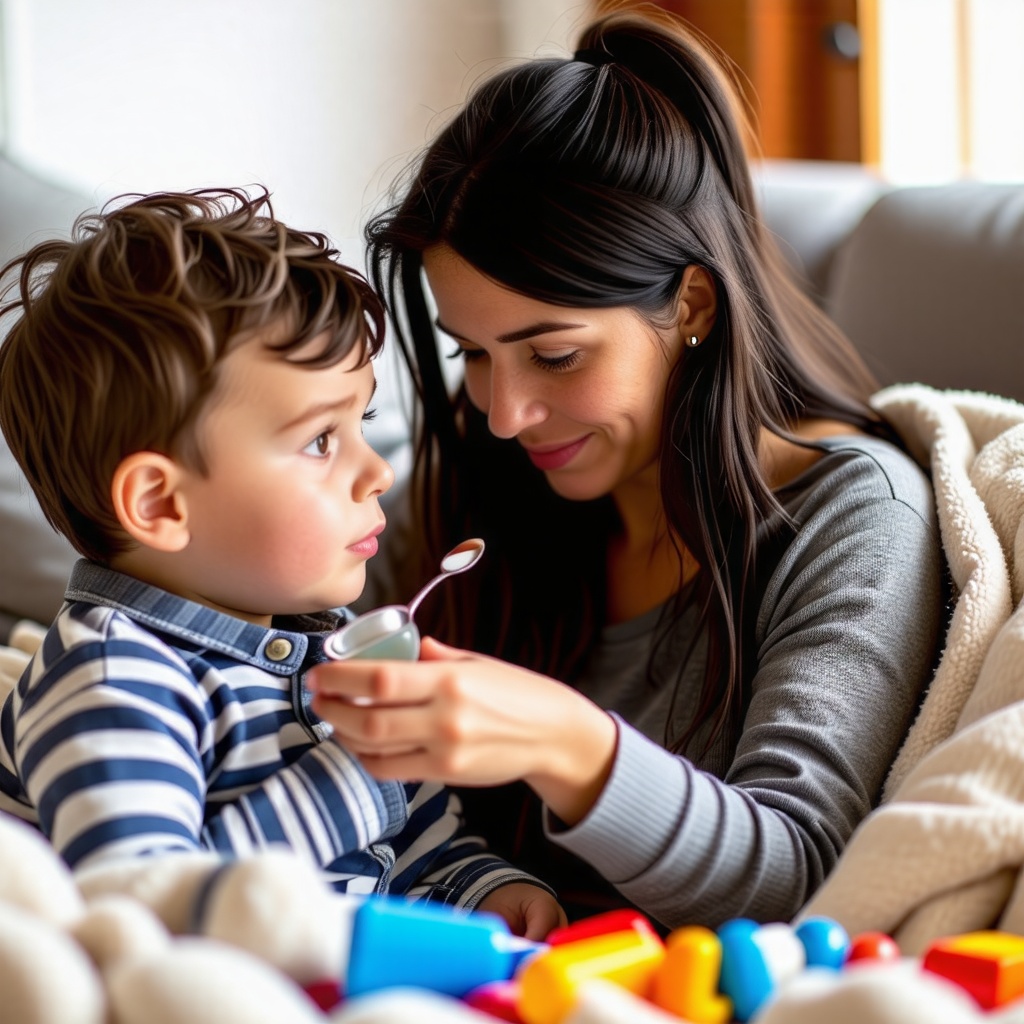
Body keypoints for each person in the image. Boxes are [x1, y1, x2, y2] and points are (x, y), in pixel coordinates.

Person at [306, 5, 945, 931]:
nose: (502, 413)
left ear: (691, 303)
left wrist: (560, 738)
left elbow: (805, 878)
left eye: (555, 356)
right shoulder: (476, 480)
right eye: (472, 354)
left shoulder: (851, 516)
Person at [0, 187, 563, 938]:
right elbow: (140, 908)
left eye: (359, 420)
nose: (378, 472)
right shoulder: (112, 680)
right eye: (320, 441)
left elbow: (410, 848)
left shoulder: (330, 644)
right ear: (162, 505)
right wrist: (352, 777)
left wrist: (480, 890)